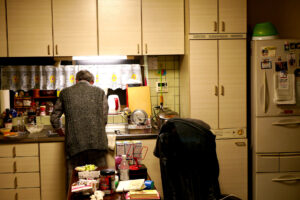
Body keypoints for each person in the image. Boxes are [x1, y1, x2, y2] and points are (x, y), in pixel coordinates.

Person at [50, 70, 109, 188]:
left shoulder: (65, 93)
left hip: (74, 145)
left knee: (74, 181)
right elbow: (104, 119)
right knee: (101, 181)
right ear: (92, 82)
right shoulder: (100, 92)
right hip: (97, 145)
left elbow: (54, 118)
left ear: (76, 81)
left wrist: (60, 131)